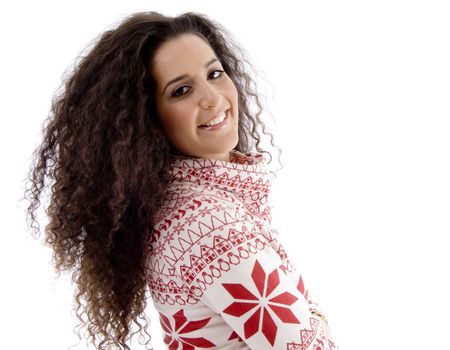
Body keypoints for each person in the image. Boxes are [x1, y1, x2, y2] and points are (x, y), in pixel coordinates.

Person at [23, 11, 338, 350]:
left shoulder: (188, 205)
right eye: (182, 90)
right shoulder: (209, 224)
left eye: (215, 73)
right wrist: (316, 320)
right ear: (147, 118)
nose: (213, 98)